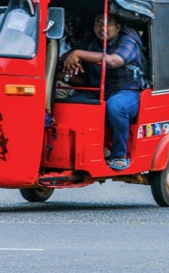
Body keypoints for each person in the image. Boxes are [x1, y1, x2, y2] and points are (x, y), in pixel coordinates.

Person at [61, 13, 146, 170]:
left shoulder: (127, 41)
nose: (102, 28)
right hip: (98, 91)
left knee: (115, 106)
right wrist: (69, 60)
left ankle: (120, 154)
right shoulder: (91, 43)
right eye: (98, 23)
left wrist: (78, 54)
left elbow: (114, 61)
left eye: (107, 24)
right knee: (73, 103)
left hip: (127, 92)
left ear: (118, 27)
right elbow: (71, 62)